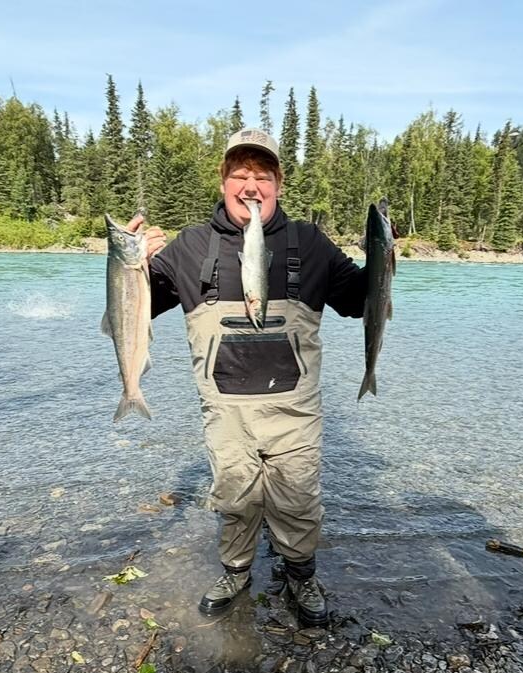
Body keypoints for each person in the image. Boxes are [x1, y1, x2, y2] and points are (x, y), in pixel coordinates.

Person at [133, 128, 367, 626]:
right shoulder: (192, 245)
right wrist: (131, 263)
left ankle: (300, 573)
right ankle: (236, 571)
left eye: (262, 175)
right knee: (235, 497)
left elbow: (358, 301)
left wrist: (385, 256)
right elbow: (138, 312)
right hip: (225, 411)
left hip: (294, 411)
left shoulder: (310, 242)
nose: (251, 184)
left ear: (278, 184)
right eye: (239, 174)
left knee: (298, 498)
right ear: (223, 182)